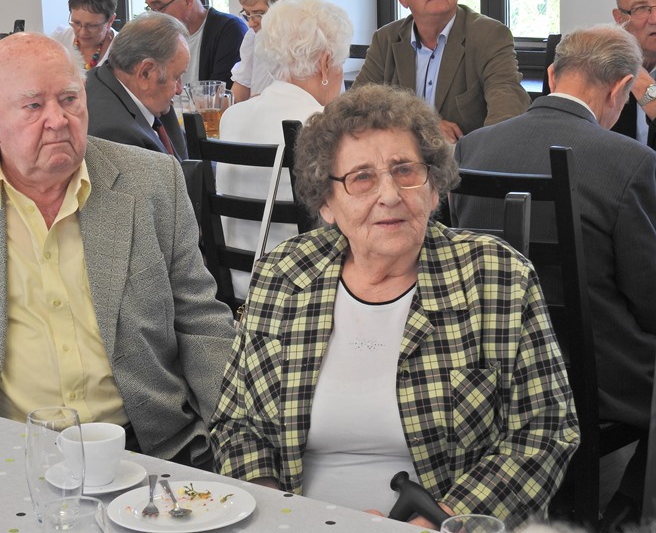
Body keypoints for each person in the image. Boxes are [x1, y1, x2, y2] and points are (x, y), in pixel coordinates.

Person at [0, 32, 235, 468]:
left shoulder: (151, 181)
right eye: (34, 106)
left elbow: (200, 321)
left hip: (141, 448)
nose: (58, 120)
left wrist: (239, 438)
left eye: (70, 99)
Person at [210, 84, 579, 529]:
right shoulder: (284, 275)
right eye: (361, 177)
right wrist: (278, 514)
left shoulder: (496, 277)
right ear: (327, 203)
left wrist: (433, 523)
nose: (389, 194)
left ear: (434, 189)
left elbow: (545, 431)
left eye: (405, 170)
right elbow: (236, 423)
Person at [452, 24, 656, 529]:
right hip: (593, 374)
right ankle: (628, 511)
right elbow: (650, 299)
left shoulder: (471, 147)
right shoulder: (631, 162)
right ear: (621, 88)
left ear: (550, 74)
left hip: (483, 363)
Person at [217, 0, 353, 299]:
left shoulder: (231, 117)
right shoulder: (322, 126)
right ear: (325, 64)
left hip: (237, 284)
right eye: (340, 64)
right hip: (302, 289)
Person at [352, 0, 529, 142]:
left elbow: (508, 111)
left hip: (464, 159)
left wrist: (481, 155)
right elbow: (355, 108)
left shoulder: (489, 36)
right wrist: (420, 125)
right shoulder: (386, 40)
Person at [85, 12, 189, 160]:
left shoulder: (151, 99)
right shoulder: (117, 136)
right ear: (145, 73)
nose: (179, 89)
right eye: (176, 77)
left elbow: (185, 158)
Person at [145, 0, 246, 87]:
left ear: (187, 0)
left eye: (159, 7)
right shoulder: (157, 35)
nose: (154, 16)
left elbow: (219, 91)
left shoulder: (229, 30)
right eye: (150, 8)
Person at [230, 0, 299, 103]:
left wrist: (261, 101)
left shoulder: (301, 41)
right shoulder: (253, 36)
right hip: (257, 111)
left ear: (282, 6)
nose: (251, 23)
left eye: (258, 13)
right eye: (247, 14)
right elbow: (242, 86)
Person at [611, 0, 656, 148]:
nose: (654, 19)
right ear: (620, 19)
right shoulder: (604, 69)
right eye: (641, 9)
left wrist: (646, 90)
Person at [51, 0, 118, 71]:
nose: (82, 32)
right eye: (76, 23)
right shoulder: (60, 39)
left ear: (110, 21)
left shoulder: (121, 52)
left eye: (92, 26)